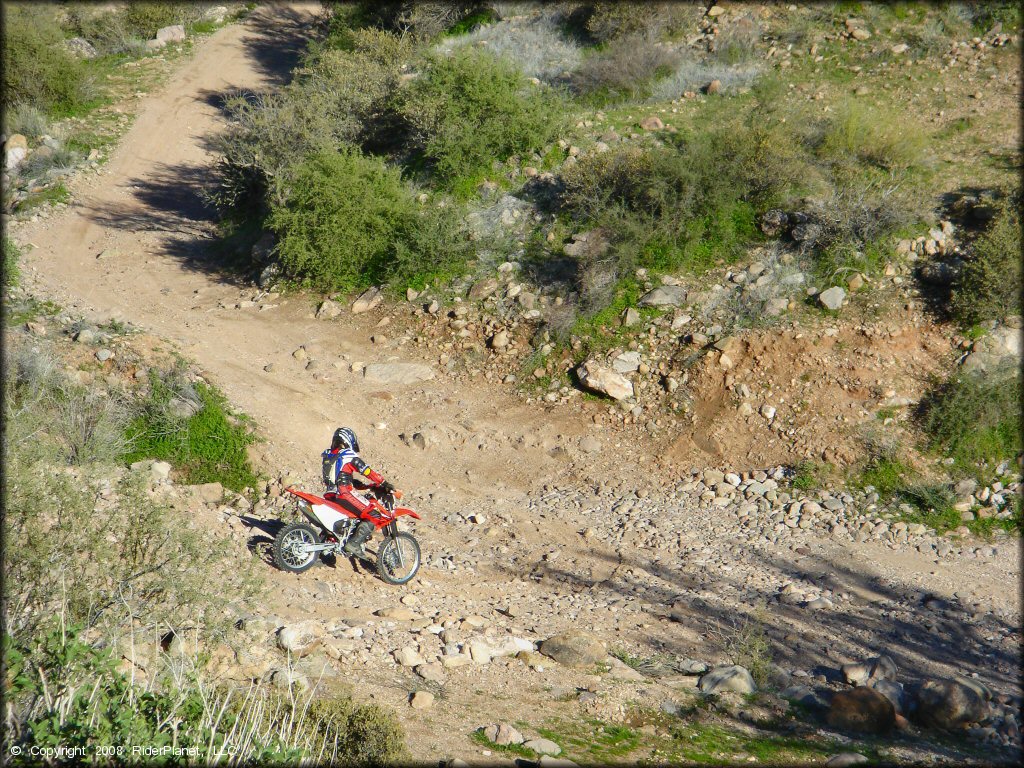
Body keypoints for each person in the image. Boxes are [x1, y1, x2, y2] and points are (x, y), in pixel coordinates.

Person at [321, 427, 395, 557]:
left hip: (330, 494)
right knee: (374, 515)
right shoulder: (347, 455)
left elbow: (344, 477)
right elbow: (366, 471)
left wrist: (367, 486)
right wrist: (383, 483)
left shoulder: (329, 455)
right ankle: (354, 544)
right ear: (348, 440)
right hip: (344, 494)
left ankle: (331, 545)